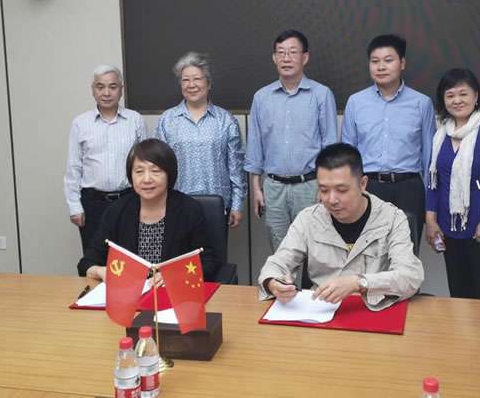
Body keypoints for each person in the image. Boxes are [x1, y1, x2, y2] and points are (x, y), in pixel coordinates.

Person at [258, 143, 424, 311]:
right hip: (321, 311)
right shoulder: (308, 219)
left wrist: (360, 283)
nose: (332, 200)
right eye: (324, 190)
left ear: (363, 184)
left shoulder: (392, 219)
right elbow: (277, 264)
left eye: (342, 190)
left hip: (374, 312)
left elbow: (410, 277)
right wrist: (274, 283)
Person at [77, 139, 220, 284]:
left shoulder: (189, 209)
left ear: (169, 174)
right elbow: (87, 263)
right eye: (139, 171)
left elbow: (208, 263)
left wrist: (176, 275)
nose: (146, 179)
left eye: (155, 171)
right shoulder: (117, 210)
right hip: (130, 293)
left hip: (173, 292)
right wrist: (100, 271)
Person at [245, 29, 338, 252]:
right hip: (273, 187)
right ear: (274, 58)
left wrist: (326, 187)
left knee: (314, 249)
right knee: (280, 251)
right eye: (281, 52)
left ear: (305, 57)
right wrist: (256, 189)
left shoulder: (321, 94)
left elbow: (331, 147)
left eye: (293, 52)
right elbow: (255, 145)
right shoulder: (261, 97)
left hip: (310, 186)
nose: (286, 58)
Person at [342, 34, 435, 254]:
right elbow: (347, 154)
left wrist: (432, 206)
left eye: (388, 60)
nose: (381, 67)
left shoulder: (422, 103)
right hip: (368, 187)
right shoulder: (356, 102)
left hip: (408, 187)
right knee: (367, 254)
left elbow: (430, 158)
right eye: (375, 61)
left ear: (402, 63)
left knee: (406, 254)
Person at [425, 68, 480, 300]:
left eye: (463, 94)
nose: (457, 100)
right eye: (450, 95)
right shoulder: (441, 135)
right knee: (458, 290)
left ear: (476, 96)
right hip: (449, 227)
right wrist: (431, 221)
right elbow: (434, 181)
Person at [154, 52, 246, 230]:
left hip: (217, 205)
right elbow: (159, 166)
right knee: (180, 249)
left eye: (197, 78)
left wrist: (237, 204)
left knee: (214, 248)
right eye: (185, 80)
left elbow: (236, 167)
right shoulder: (167, 120)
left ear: (208, 83)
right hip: (177, 204)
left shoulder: (226, 120)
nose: (191, 85)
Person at [64, 65, 146, 253]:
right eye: (100, 87)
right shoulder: (80, 123)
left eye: (113, 87)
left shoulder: (135, 120)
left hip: (129, 200)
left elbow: (144, 164)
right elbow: (73, 168)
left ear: (121, 90)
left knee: (131, 257)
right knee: (95, 256)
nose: (106, 93)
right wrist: (75, 207)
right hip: (93, 203)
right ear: (93, 90)